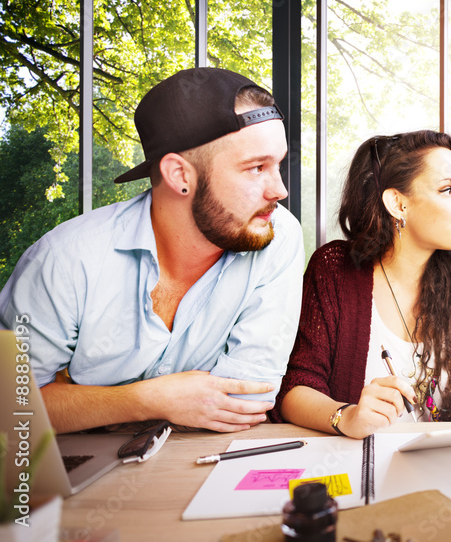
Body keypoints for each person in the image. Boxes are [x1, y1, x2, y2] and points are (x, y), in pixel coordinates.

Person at [0, 68, 304, 434]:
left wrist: (75, 397)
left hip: (205, 464)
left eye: (278, 164)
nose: (280, 190)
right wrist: (148, 400)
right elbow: (11, 407)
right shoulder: (64, 260)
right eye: (256, 168)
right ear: (179, 175)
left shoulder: (277, 236)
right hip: (73, 481)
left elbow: (245, 403)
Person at [274, 130, 451, 461]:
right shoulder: (333, 270)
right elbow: (296, 387)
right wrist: (345, 416)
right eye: (448, 189)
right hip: (358, 467)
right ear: (398, 203)